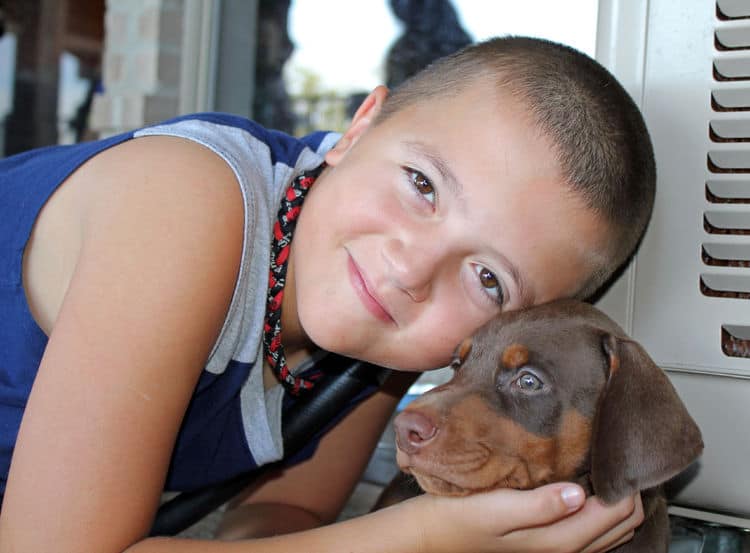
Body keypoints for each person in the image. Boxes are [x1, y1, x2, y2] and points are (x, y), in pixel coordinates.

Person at [0, 36, 655, 552]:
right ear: (360, 127)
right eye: (422, 184)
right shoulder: (184, 205)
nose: (411, 268)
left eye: (488, 279)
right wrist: (422, 535)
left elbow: (283, 516)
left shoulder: (376, 343)